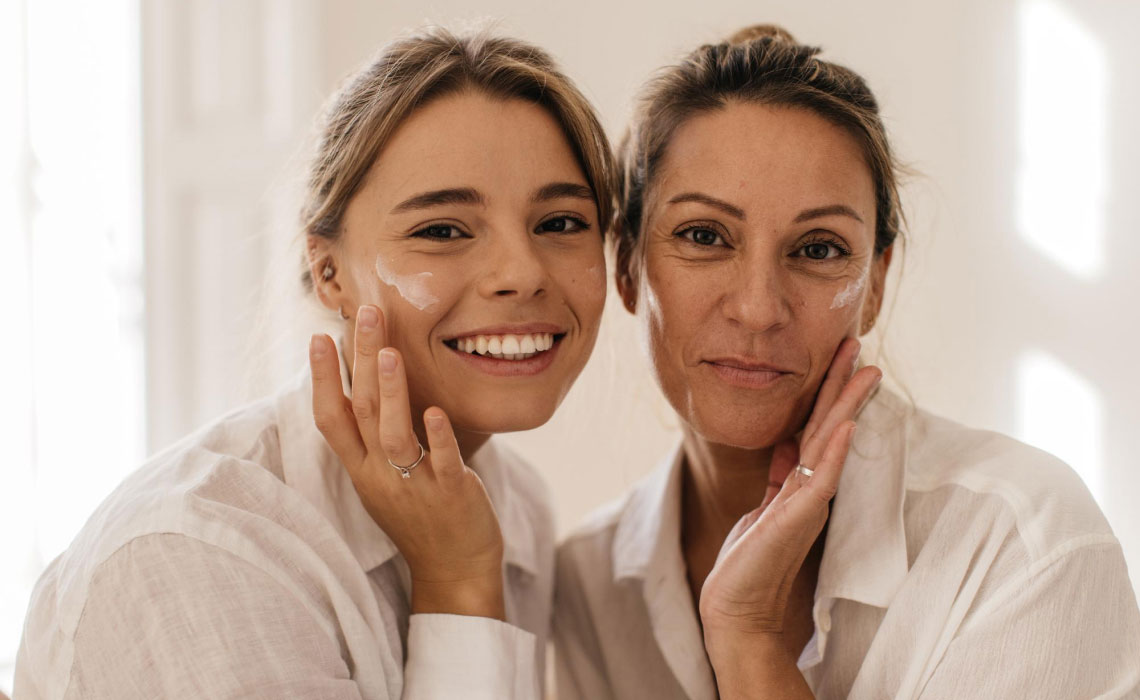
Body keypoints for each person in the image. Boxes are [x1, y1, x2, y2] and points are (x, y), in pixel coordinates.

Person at [15, 27, 614, 699]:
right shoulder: (195, 553)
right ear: (327, 271)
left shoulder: (514, 504)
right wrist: (459, 585)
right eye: (442, 230)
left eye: (561, 223)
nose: (522, 274)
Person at [553, 24, 1140, 699]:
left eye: (819, 248)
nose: (757, 307)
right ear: (626, 267)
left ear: (875, 285)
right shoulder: (588, 586)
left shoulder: (1019, 543)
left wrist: (746, 638)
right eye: (704, 236)